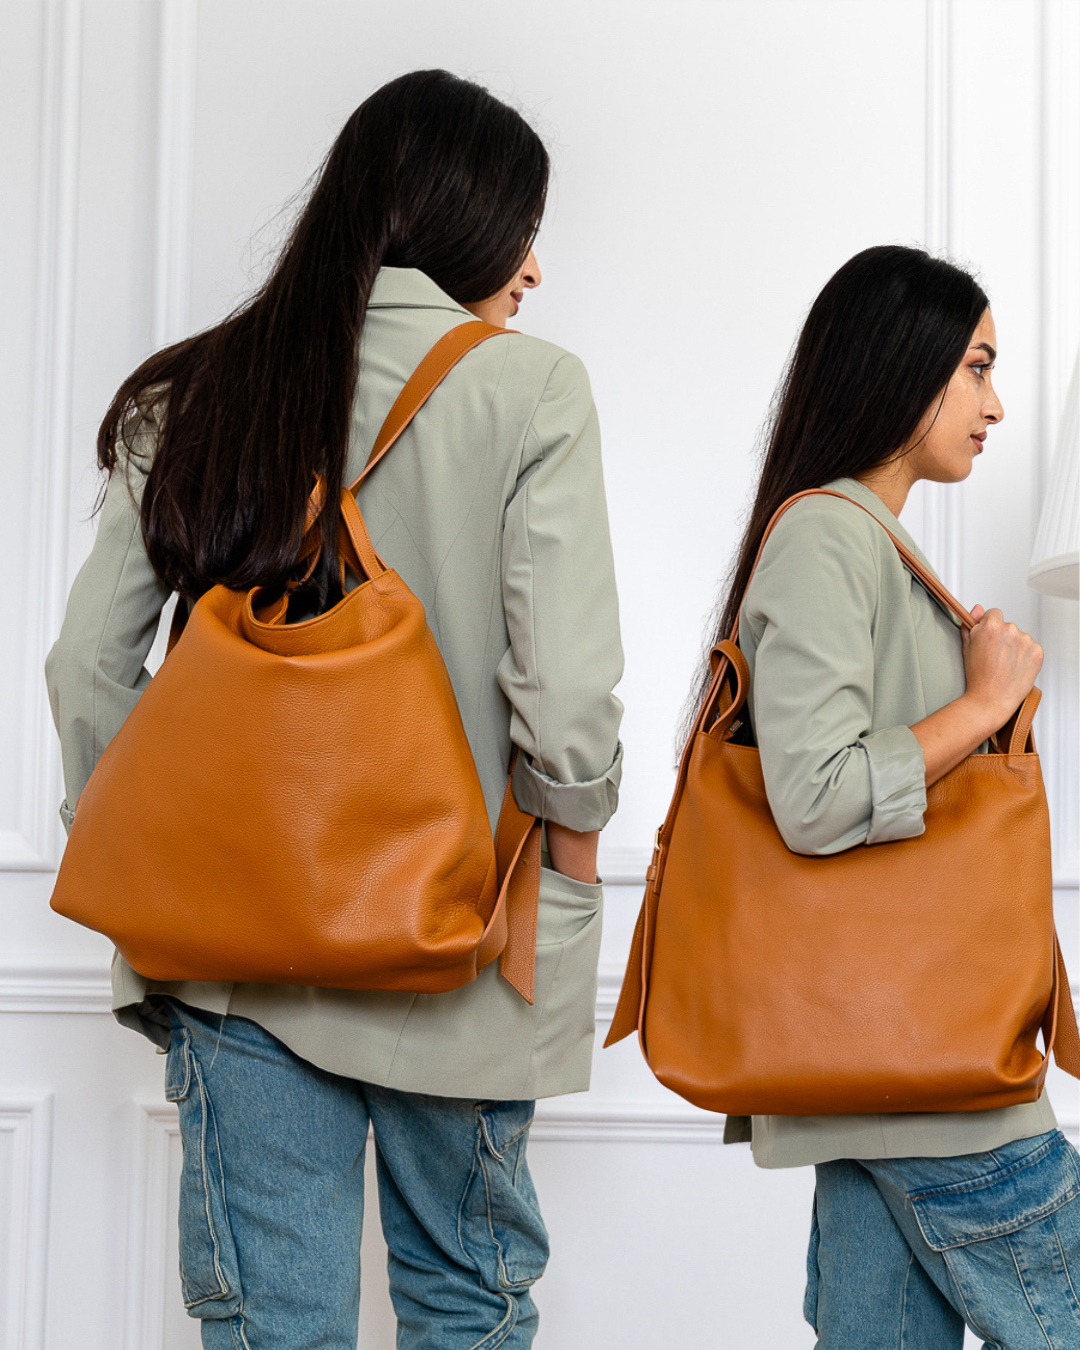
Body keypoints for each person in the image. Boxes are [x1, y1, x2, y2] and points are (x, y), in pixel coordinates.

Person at [46, 70, 623, 1350]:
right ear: (466, 219)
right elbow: (569, 703)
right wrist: (565, 885)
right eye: (525, 229)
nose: (535, 269)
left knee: (270, 1329)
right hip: (461, 938)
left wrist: (148, 848)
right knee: (467, 1308)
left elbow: (90, 660)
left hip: (239, 956)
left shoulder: (195, 391)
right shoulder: (532, 390)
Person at [687, 245, 1080, 1347]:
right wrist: (985, 701)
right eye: (978, 368)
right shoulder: (828, 534)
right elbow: (811, 797)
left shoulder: (867, 540)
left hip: (888, 1082)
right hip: (937, 1095)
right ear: (903, 367)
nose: (996, 404)